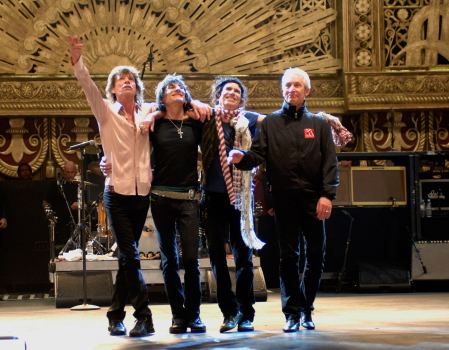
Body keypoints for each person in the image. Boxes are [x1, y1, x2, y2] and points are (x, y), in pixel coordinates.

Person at [228, 67, 339, 332]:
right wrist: (242, 160)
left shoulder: (320, 124)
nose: (292, 89)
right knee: (289, 256)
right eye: (287, 85)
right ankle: (291, 314)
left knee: (316, 256)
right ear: (282, 90)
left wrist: (327, 195)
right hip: (284, 199)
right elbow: (257, 154)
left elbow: (329, 163)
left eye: (297, 85)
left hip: (314, 199)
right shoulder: (271, 123)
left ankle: (306, 308)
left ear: (307, 90)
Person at [68, 34, 155, 337]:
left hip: (141, 192)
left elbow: (176, 104)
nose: (126, 81)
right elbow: (87, 87)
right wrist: (78, 61)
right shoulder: (105, 111)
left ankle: (115, 314)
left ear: (137, 86)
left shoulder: (148, 112)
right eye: (120, 79)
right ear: (114, 89)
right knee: (131, 255)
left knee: (125, 256)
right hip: (115, 192)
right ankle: (144, 316)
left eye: (130, 78)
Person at [145, 74, 209, 334]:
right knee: (169, 260)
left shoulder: (196, 123)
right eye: (170, 87)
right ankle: (177, 316)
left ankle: (194, 315)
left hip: (189, 199)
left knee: (192, 259)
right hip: (160, 198)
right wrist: (152, 113)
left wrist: (200, 105)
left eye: (180, 87)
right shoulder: (155, 123)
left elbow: (223, 115)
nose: (176, 90)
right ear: (161, 96)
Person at [201, 76, 265, 333]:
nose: (232, 93)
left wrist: (323, 118)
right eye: (227, 89)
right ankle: (229, 312)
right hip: (214, 196)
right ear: (218, 95)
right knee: (216, 255)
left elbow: (275, 121)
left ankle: (246, 313)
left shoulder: (247, 119)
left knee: (244, 258)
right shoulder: (206, 118)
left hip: (241, 196)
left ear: (242, 98)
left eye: (237, 91)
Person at [44, 161, 80, 249]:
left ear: (76, 172)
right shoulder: (56, 184)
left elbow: (86, 203)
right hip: (60, 221)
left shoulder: (79, 185)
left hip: (76, 221)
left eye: (72, 172)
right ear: (64, 171)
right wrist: (49, 215)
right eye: (68, 172)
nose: (70, 175)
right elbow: (45, 201)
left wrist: (79, 204)